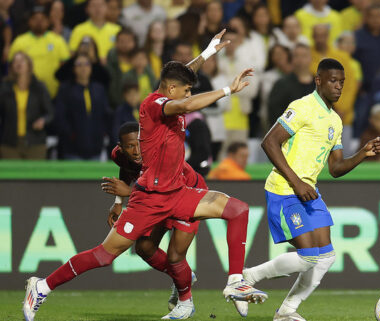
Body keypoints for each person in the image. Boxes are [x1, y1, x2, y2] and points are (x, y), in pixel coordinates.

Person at [23, 30, 267, 321]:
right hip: (148, 200)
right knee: (104, 254)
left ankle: (234, 282)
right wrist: (228, 90)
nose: (189, 94)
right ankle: (42, 286)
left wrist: (207, 53)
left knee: (238, 210)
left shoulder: (170, 91)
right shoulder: (153, 105)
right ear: (171, 90)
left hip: (177, 193)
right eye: (185, 89)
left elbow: (182, 82)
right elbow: (186, 103)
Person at [239, 58, 380, 321]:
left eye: (342, 82)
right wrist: (297, 182)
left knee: (325, 257)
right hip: (285, 189)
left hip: (308, 192)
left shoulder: (335, 121)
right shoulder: (302, 107)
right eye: (333, 81)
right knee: (308, 257)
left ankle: (286, 312)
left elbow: (336, 168)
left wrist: (362, 153)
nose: (338, 87)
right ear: (318, 80)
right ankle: (248, 277)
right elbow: (269, 143)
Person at [102, 121, 202, 313]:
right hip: (161, 196)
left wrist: (129, 192)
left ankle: (185, 300)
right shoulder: (119, 155)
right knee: (144, 247)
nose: (136, 151)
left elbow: (164, 193)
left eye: (139, 143)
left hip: (188, 192)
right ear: (120, 147)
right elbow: (127, 168)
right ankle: (184, 278)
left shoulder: (159, 155)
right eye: (130, 146)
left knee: (175, 257)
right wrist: (117, 202)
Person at [54, 53, 110, 160]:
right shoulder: (65, 89)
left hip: (95, 147)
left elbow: (105, 114)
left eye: (86, 64)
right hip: (72, 149)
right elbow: (60, 116)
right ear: (74, 69)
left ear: (91, 68)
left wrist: (101, 134)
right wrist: (71, 135)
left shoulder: (99, 89)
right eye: (79, 64)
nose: (83, 68)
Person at [0, 52, 53, 159]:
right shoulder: (4, 87)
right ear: (11, 66)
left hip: (35, 142)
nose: (18, 64)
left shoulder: (39, 87)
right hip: (9, 143)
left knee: (35, 175)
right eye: (15, 61)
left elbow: (50, 113)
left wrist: (43, 120)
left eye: (22, 61)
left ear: (29, 65)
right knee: (11, 175)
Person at [9, 5, 69, 98]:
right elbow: (11, 67)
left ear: (48, 21)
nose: (39, 22)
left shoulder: (58, 40)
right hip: (26, 94)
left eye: (43, 18)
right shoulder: (19, 41)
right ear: (29, 21)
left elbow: (65, 65)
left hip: (54, 93)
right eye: (35, 18)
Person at [267, 43, 314, 129]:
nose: (300, 60)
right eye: (296, 56)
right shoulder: (281, 85)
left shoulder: (320, 85)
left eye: (304, 56)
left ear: (311, 59)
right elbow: (274, 115)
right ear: (292, 59)